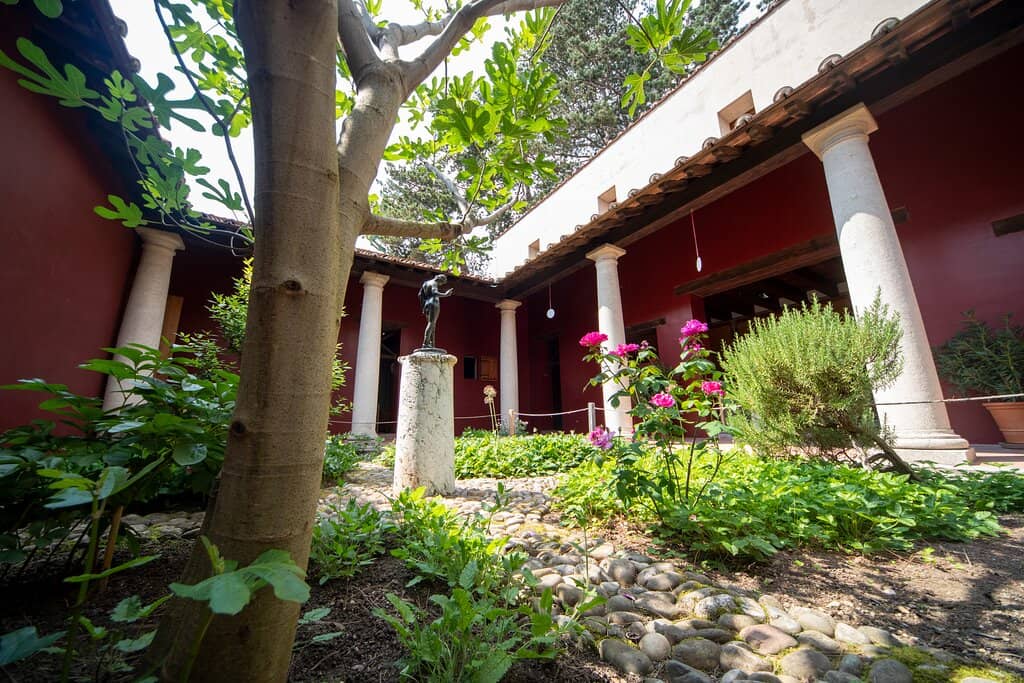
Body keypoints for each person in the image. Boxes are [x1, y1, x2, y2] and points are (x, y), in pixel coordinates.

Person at [419, 274, 453, 349]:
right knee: (431, 323)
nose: (441, 285)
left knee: (432, 324)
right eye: (442, 283)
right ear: (440, 280)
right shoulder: (434, 283)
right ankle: (425, 343)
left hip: (427, 304)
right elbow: (434, 292)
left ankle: (432, 344)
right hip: (434, 303)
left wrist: (423, 306)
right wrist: (445, 294)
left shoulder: (425, 283)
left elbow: (420, 295)